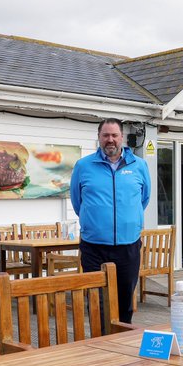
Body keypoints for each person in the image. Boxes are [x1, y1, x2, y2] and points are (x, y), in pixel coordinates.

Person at [71, 118, 151, 324]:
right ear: (98, 137)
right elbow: (77, 202)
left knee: (125, 301)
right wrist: (97, 222)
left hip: (128, 246)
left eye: (114, 135)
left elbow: (144, 199)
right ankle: (100, 346)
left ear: (121, 138)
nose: (110, 140)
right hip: (93, 248)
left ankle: (122, 344)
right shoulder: (83, 166)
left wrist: (127, 220)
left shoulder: (139, 166)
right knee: (97, 302)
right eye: (105, 135)